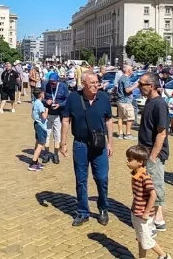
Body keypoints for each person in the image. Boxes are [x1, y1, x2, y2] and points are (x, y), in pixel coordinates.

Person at [59, 72, 113, 227]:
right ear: (83, 84)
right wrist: (63, 143)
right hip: (81, 144)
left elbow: (109, 121)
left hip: (99, 145)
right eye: (93, 83)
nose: (96, 85)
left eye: (97, 82)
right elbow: (66, 120)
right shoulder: (74, 98)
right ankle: (83, 212)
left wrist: (110, 143)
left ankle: (103, 208)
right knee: (81, 180)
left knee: (102, 178)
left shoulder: (103, 98)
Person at [137, 72, 169, 232]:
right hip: (144, 151)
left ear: (152, 86)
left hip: (153, 153)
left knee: (154, 186)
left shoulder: (159, 104)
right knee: (147, 186)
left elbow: (161, 133)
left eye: (142, 84)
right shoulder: (149, 101)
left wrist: (153, 157)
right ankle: (157, 218)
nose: (139, 86)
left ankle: (154, 221)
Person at [126, 146, 171, 259]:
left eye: (130, 160)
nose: (128, 161)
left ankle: (163, 255)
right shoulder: (136, 174)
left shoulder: (144, 177)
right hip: (136, 212)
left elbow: (153, 194)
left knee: (146, 239)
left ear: (140, 162)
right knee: (141, 238)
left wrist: (146, 212)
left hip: (143, 215)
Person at [43, 72, 68, 165]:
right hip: (48, 114)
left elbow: (67, 99)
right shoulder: (46, 85)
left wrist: (59, 105)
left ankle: (56, 154)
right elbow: (41, 98)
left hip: (58, 114)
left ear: (58, 81)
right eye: (50, 82)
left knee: (57, 134)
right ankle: (46, 153)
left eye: (53, 83)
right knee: (47, 134)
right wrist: (46, 101)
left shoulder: (63, 86)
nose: (52, 84)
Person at [115, 65, 138, 140]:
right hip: (126, 101)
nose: (132, 71)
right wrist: (136, 85)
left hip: (120, 100)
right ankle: (128, 134)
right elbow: (127, 90)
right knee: (131, 117)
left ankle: (120, 134)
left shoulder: (122, 78)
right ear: (128, 70)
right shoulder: (125, 78)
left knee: (120, 118)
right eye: (131, 69)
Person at [29, 87, 48, 171]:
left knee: (37, 143)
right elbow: (44, 116)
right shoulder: (40, 104)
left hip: (37, 123)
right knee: (41, 144)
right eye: (43, 93)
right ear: (41, 94)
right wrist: (47, 110)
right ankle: (32, 164)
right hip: (40, 125)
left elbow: (32, 115)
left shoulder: (35, 102)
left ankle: (36, 161)